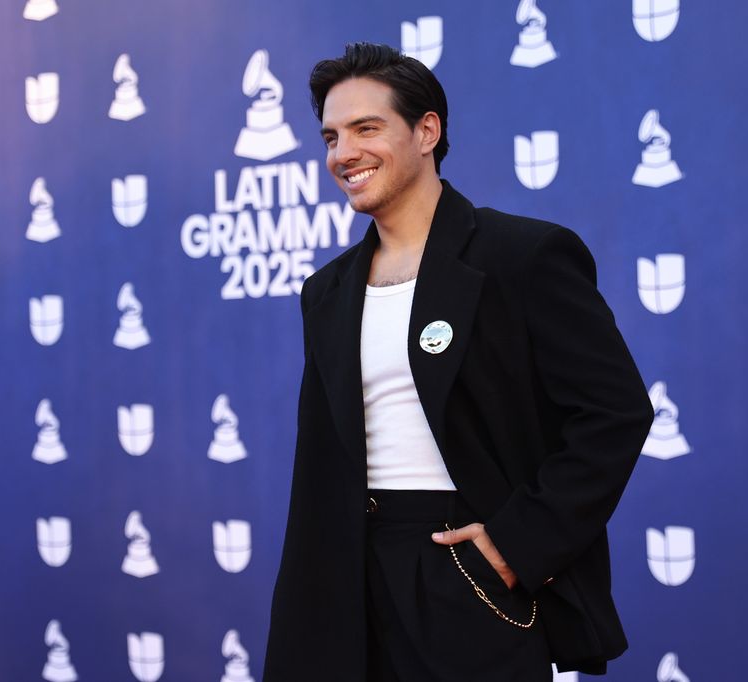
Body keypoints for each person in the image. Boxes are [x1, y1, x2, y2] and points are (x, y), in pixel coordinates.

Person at [264, 43, 653, 682]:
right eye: (331, 136)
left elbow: (616, 413)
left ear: (427, 131)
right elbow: (321, 463)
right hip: (348, 580)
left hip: (465, 567)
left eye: (367, 129)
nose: (343, 154)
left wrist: (516, 545)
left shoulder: (522, 257)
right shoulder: (327, 291)